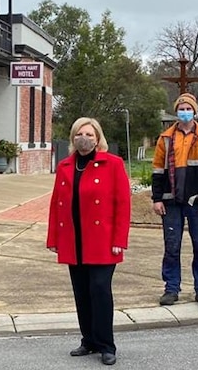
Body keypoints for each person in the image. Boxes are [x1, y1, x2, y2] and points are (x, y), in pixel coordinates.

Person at [47, 117, 130, 366]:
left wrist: (119, 239)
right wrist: (54, 238)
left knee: (100, 290)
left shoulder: (112, 164)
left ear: (98, 138)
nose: (85, 138)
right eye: (80, 134)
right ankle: (89, 340)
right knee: (81, 292)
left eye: (90, 135)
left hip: (103, 240)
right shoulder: (65, 166)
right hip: (74, 240)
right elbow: (56, 204)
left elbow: (123, 204)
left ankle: (106, 344)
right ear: (73, 137)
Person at [151, 92, 198, 313]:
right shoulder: (165, 138)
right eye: (181, 108)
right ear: (176, 111)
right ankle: (171, 288)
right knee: (172, 247)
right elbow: (157, 171)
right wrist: (157, 199)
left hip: (197, 202)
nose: (184, 112)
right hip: (171, 202)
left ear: (195, 111)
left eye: (188, 108)